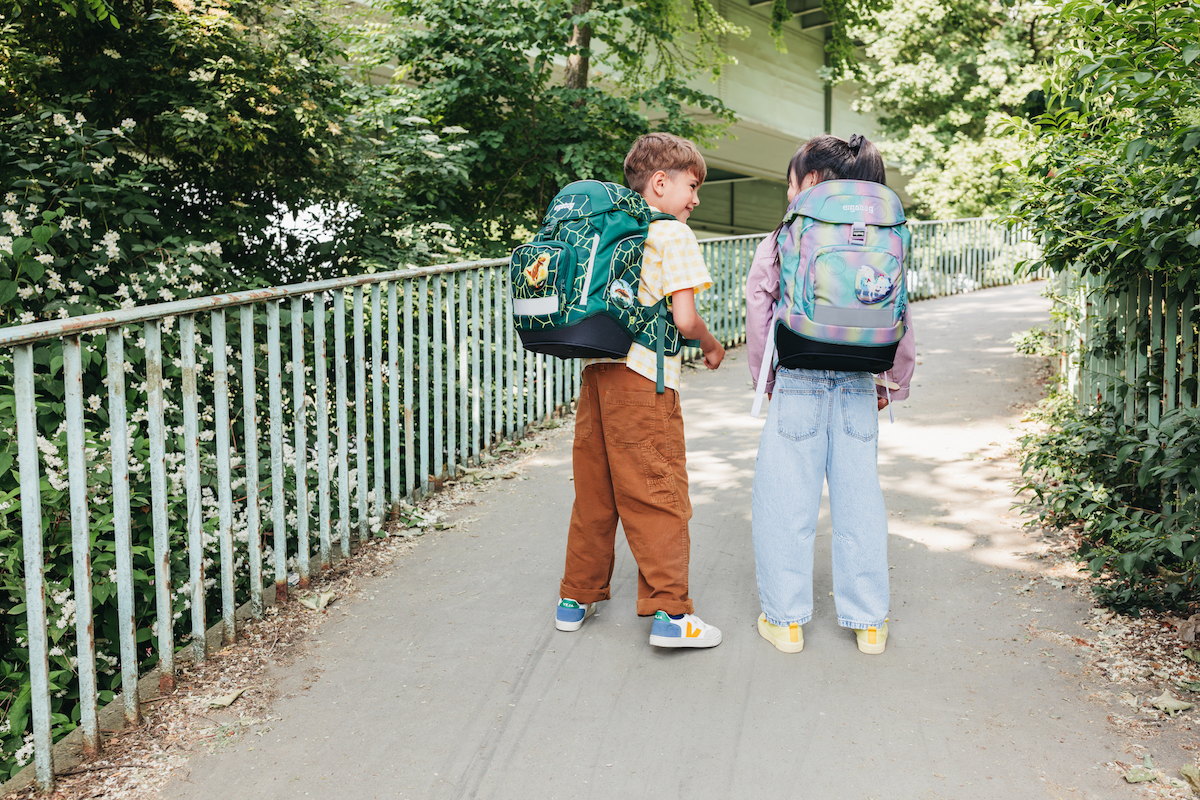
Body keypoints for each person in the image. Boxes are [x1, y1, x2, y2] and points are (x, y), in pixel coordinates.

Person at [745, 134, 915, 655]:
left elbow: (759, 303)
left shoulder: (784, 236)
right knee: (860, 499)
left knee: (784, 501)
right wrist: (895, 382)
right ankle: (869, 624)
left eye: (791, 183)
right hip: (862, 379)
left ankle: (786, 621)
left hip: (799, 374)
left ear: (811, 183)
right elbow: (902, 310)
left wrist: (765, 379)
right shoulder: (888, 233)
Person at [555, 132, 726, 648]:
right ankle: (671, 615)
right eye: (692, 185)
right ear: (660, 182)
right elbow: (686, 318)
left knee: (595, 494)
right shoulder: (672, 233)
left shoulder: (613, 230)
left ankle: (574, 599)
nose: (696, 198)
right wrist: (713, 345)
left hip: (597, 376)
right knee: (658, 493)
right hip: (644, 382)